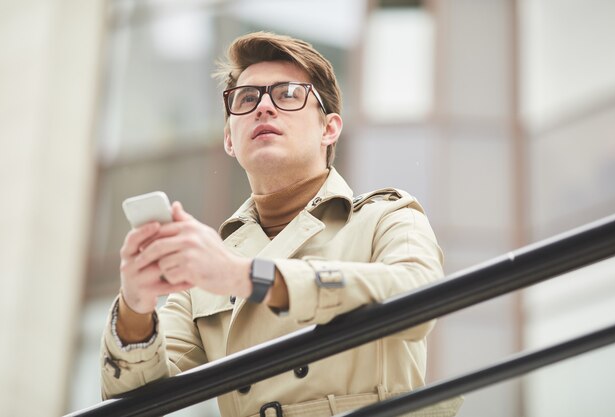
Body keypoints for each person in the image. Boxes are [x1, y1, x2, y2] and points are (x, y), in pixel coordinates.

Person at [100, 32, 461, 417]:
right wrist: (136, 307)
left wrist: (251, 278)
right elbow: (141, 402)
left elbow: (418, 300)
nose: (264, 108)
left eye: (288, 94)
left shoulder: (387, 217)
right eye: (247, 98)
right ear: (228, 140)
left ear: (329, 129)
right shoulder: (209, 264)